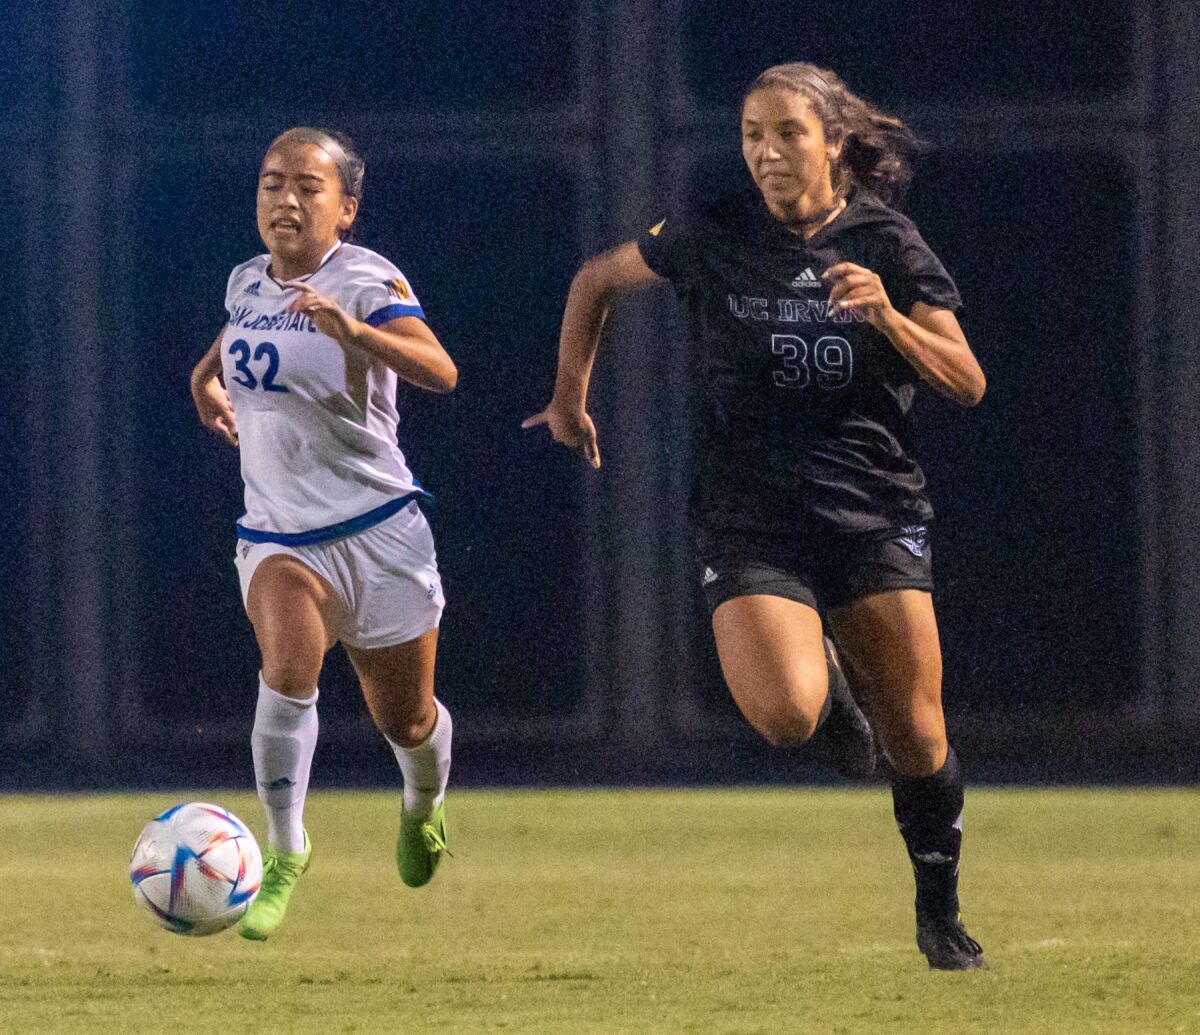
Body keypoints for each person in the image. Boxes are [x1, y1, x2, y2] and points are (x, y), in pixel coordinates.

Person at [524, 63, 988, 970]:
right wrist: (571, 397)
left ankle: (939, 911)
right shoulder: (713, 230)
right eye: (751, 135)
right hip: (750, 514)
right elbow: (595, 279)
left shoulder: (888, 242)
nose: (766, 154)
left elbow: (967, 381)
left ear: (835, 142)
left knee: (920, 739)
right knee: (785, 715)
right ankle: (828, 679)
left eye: (787, 134)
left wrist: (889, 318)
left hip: (871, 509)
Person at [189, 127, 458, 941]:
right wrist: (204, 382)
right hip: (278, 532)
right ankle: (285, 847)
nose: (287, 199)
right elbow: (230, 352)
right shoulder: (246, 280)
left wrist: (355, 333)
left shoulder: (368, 278)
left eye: (309, 185)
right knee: (286, 668)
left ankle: (422, 803)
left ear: (345, 207)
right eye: (273, 182)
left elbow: (440, 370)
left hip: (379, 530)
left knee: (405, 721)